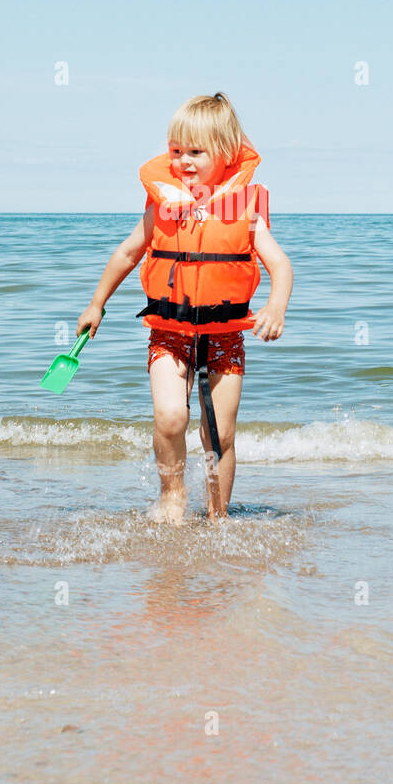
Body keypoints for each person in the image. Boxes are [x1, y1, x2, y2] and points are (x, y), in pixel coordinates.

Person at [77, 93, 292, 523]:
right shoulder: (163, 204)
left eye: (196, 151)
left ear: (227, 153)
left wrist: (276, 307)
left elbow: (280, 264)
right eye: (176, 151)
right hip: (169, 332)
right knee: (171, 418)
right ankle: (172, 497)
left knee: (220, 433)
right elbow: (126, 254)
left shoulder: (245, 206)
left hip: (224, 335)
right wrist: (96, 304)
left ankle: (217, 515)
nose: (183, 161)